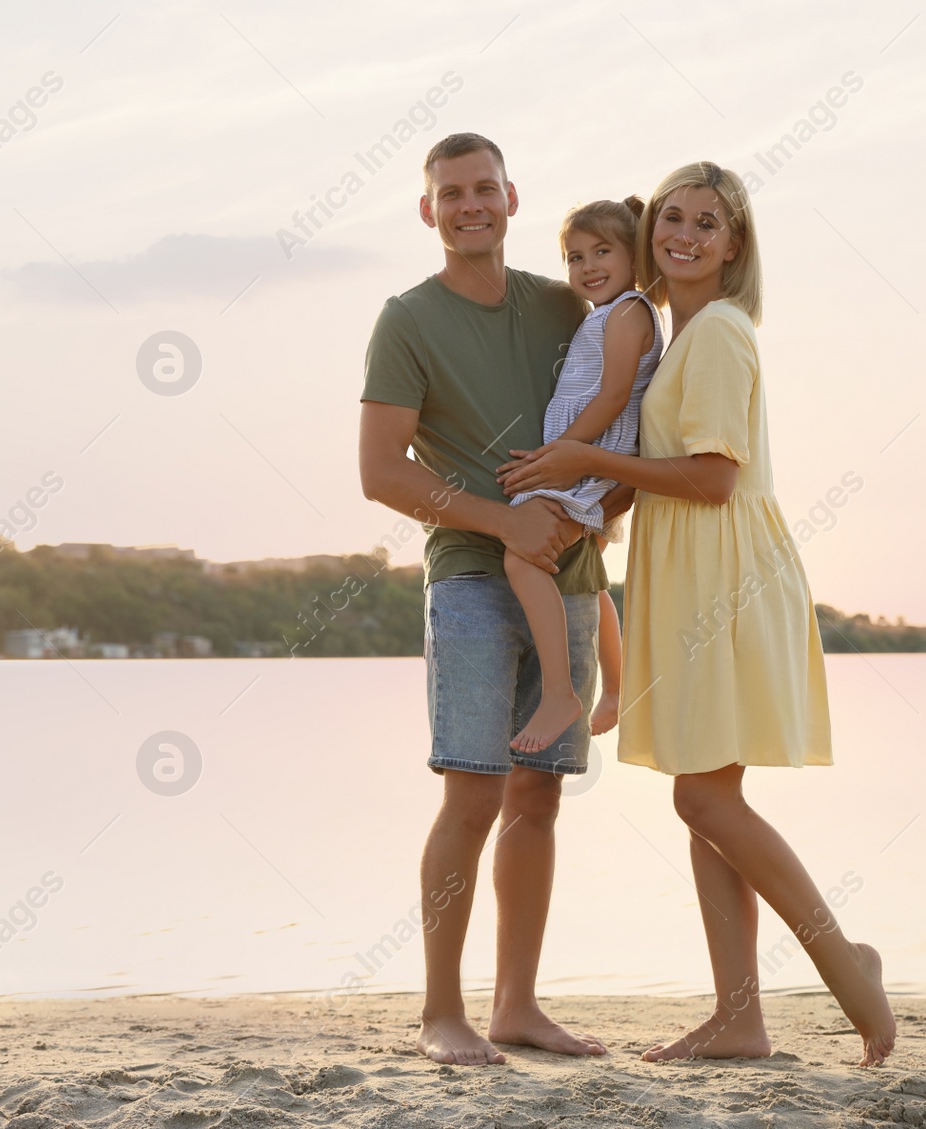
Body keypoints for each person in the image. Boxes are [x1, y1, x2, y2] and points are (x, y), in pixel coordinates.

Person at [498, 161, 896, 1067]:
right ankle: (739, 1018)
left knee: (704, 794)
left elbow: (714, 479)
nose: (682, 234)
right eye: (670, 217)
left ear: (735, 243)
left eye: (705, 223)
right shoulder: (674, 339)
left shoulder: (717, 332)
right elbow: (672, 469)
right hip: (692, 575)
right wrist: (592, 510)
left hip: (730, 580)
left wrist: (574, 458)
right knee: (709, 800)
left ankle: (850, 974)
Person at [358, 133, 630, 1066]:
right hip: (472, 579)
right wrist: (500, 521)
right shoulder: (406, 320)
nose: (470, 204)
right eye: (450, 192)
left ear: (513, 199)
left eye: (485, 189)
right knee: (470, 796)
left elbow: (628, 397)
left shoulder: (567, 303)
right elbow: (378, 471)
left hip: (573, 576)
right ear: (427, 210)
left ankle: (518, 1005)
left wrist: (603, 504)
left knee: (540, 797)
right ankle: (442, 1010)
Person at [503, 199, 664, 753]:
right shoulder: (609, 313)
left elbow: (616, 394)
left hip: (589, 458)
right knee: (587, 575)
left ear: (634, 257)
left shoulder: (627, 312)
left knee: (521, 557)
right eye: (575, 257)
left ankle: (559, 693)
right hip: (587, 457)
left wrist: (559, 453)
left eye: (603, 252)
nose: (588, 266)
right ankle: (616, 688)